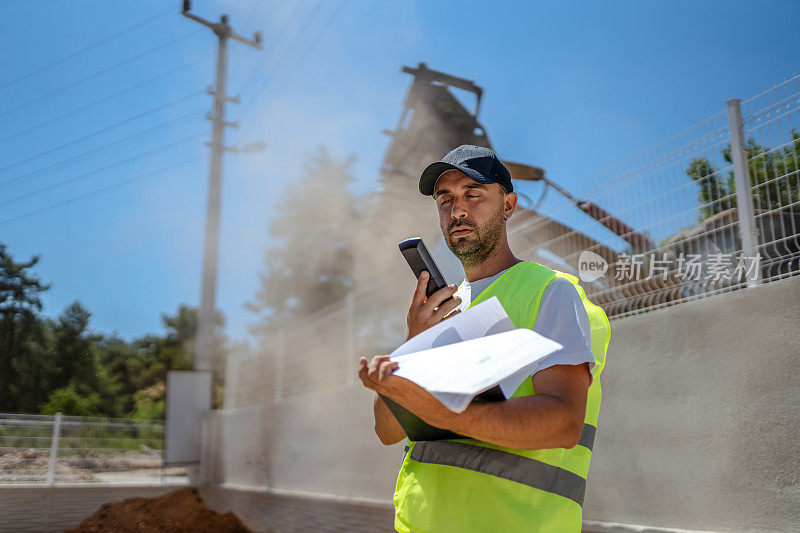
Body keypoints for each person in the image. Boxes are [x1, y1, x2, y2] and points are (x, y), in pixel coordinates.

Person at [358, 145, 610, 533]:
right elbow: (387, 431)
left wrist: (444, 414)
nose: (457, 210)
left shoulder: (549, 292)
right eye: (446, 200)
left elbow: (562, 422)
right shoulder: (441, 309)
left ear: (508, 205)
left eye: (473, 194)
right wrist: (411, 342)